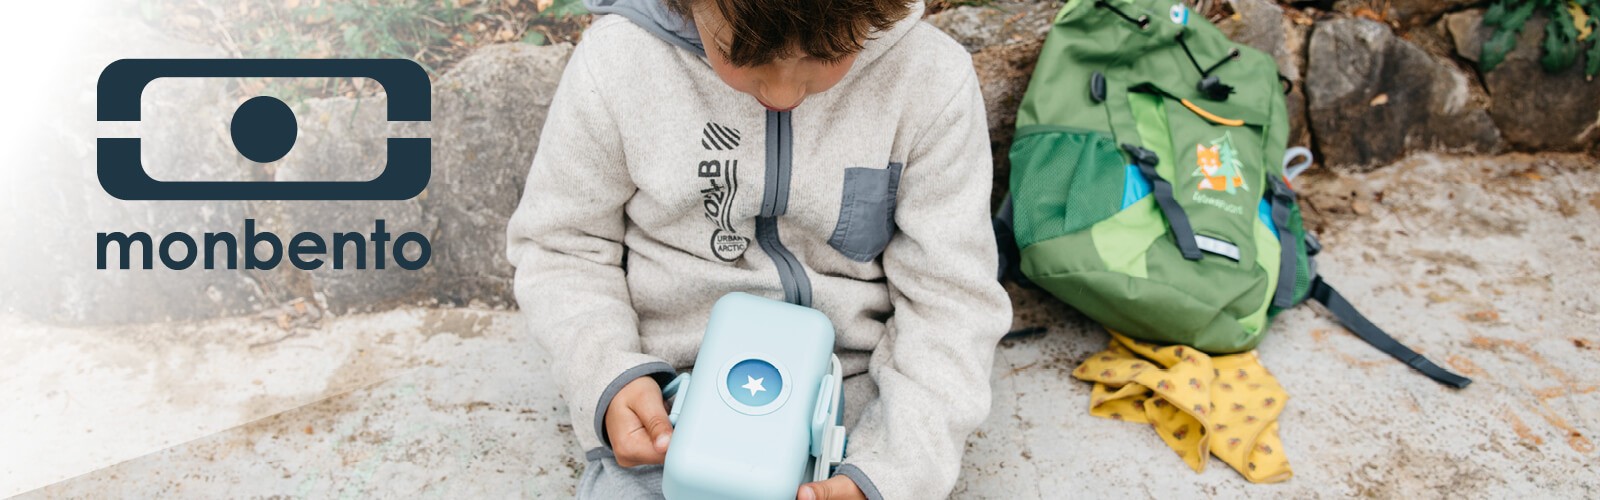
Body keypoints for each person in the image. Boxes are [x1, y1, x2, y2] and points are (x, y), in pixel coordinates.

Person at [505, 0, 1011, 497]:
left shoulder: (930, 80)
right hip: (671, 406)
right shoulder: (617, 63)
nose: (783, 92)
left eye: (825, 52)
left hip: (855, 416)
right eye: (744, 55)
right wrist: (608, 375)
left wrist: (894, 469)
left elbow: (951, 300)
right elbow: (562, 247)